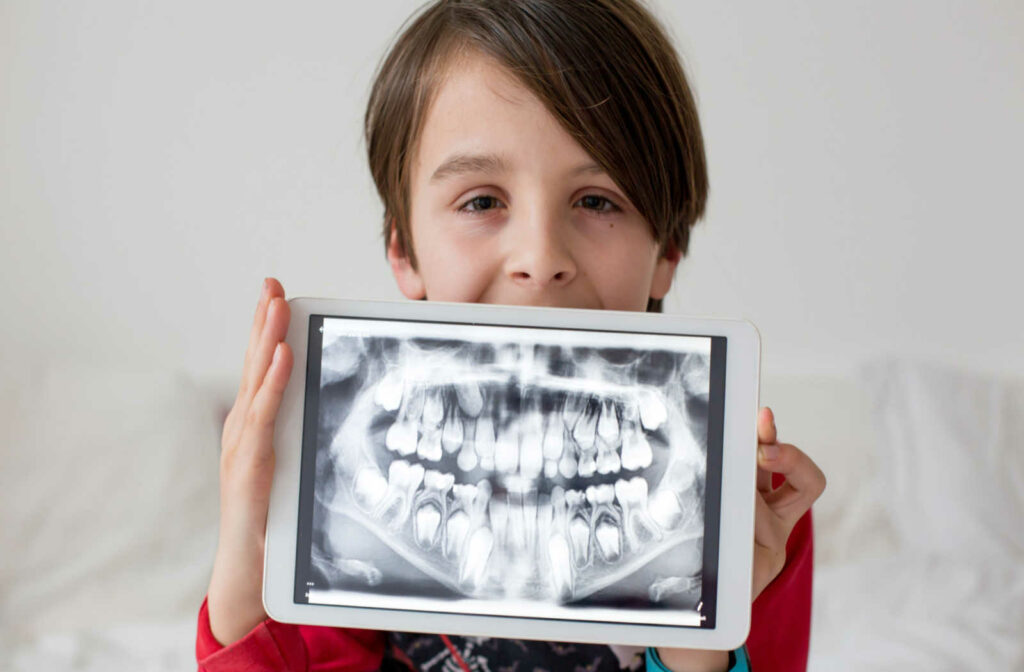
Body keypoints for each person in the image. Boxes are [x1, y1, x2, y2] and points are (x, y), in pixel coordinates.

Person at [197, 1, 827, 670]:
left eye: (596, 200)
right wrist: (245, 572)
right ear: (403, 250)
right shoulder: (347, 483)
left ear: (667, 248)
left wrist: (694, 646)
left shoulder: (754, 520)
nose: (539, 255)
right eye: (482, 201)